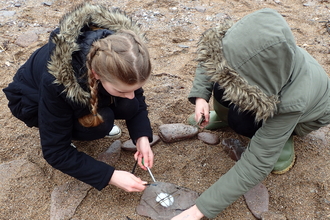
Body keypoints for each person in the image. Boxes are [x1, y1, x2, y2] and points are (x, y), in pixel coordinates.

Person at [172, 8, 330, 219]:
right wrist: (201, 95)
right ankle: (224, 116)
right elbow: (215, 55)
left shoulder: (293, 101)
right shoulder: (247, 44)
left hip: (302, 117)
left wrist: (198, 210)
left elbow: (256, 163)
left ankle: (283, 139)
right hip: (270, 88)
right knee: (221, 83)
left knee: (243, 122)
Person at [3, 3, 154, 192]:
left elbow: (135, 99)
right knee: (102, 123)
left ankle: (98, 108)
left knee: (129, 106)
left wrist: (141, 138)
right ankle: (77, 128)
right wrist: (111, 176)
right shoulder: (57, 82)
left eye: (135, 89)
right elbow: (55, 152)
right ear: (96, 74)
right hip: (31, 100)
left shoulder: (127, 57)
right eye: (122, 90)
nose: (131, 96)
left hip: (88, 85)